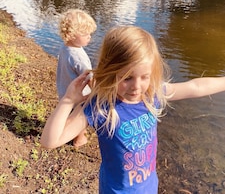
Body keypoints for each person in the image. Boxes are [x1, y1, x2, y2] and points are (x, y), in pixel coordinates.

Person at [41, 25, 225, 193]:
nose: (136, 86)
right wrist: (67, 100)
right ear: (110, 71)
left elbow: (196, 87)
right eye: (127, 78)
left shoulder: (152, 95)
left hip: (149, 186)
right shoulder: (101, 107)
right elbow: (50, 141)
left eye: (144, 77)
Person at [56, 8, 97, 147]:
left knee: (70, 114)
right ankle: (79, 139)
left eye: (90, 33)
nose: (89, 37)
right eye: (85, 34)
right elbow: (89, 77)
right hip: (79, 95)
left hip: (65, 89)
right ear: (71, 35)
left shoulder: (65, 48)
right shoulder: (77, 56)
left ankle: (63, 132)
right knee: (81, 116)